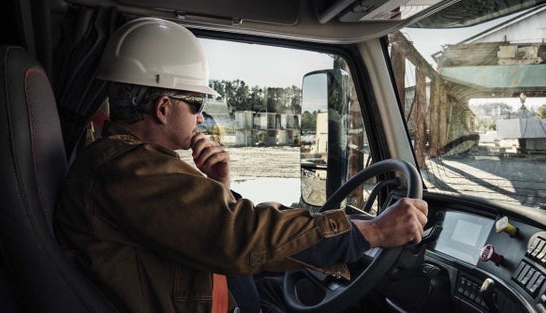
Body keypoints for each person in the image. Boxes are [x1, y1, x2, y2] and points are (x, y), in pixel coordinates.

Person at [54, 17, 429, 313]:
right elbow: (240, 236)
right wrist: (372, 232)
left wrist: (219, 185)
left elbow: (209, 232)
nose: (201, 119)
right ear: (163, 107)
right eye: (197, 104)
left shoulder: (133, 166)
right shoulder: (127, 170)